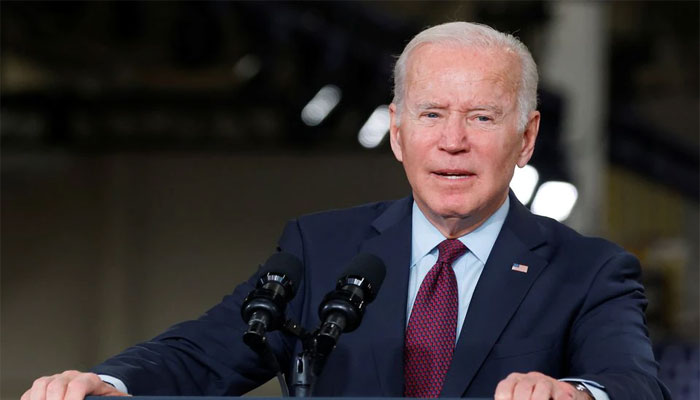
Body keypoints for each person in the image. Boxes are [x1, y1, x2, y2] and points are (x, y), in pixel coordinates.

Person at [23, 22, 669, 400]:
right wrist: (111, 386)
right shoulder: (320, 249)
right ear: (396, 131)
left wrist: (577, 395)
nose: (452, 141)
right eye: (432, 114)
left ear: (525, 138)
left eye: (481, 117)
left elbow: (634, 384)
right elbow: (206, 350)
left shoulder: (589, 271)